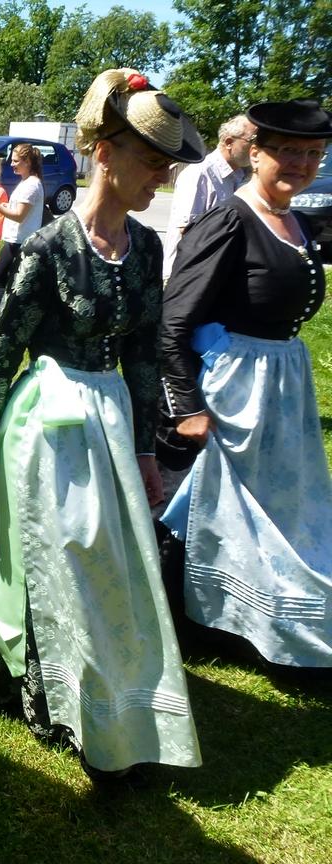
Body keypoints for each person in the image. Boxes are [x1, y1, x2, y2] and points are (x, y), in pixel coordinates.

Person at [0, 68, 205, 781]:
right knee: (50, 546)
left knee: (103, 554)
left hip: (108, 423)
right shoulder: (48, 249)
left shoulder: (146, 249)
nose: (161, 177)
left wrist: (147, 450)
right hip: (47, 423)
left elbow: (142, 356)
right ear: (105, 151)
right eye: (151, 160)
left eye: (166, 165)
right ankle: (49, 683)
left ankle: (107, 682)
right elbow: (1, 354)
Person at [160, 99, 332, 668]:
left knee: (279, 510)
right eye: (288, 151)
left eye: (313, 154)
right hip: (232, 391)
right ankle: (210, 620)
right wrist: (187, 406)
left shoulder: (298, 222)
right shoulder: (229, 221)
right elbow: (173, 320)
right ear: (255, 153)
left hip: (279, 386)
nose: (301, 164)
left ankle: (264, 617)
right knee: (225, 510)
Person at [162, 113, 255, 281]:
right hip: (187, 277)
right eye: (252, 141)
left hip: (214, 275)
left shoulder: (238, 177)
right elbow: (187, 232)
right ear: (229, 142)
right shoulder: (200, 173)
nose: (257, 148)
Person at [0, 142, 45, 313]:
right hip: (17, 241)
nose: (11, 164)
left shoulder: (31, 185)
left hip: (19, 242)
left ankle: (3, 321)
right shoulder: (27, 182)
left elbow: (19, 216)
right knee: (11, 283)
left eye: (15, 161)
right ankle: (12, 318)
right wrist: (6, 205)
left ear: (27, 161)